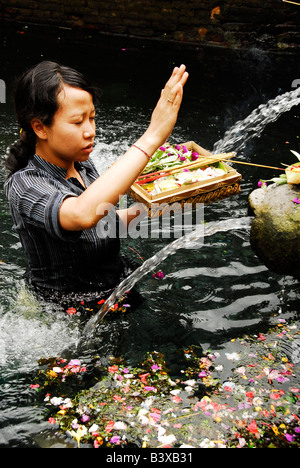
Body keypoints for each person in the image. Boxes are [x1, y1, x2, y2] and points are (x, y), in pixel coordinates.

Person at [3, 61, 188, 306]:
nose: (90, 131)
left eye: (92, 118)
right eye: (78, 122)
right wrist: (153, 135)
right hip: (70, 308)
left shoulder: (83, 165)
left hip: (114, 285)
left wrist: (160, 205)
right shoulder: (24, 185)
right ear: (40, 127)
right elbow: (82, 215)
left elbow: (104, 223)